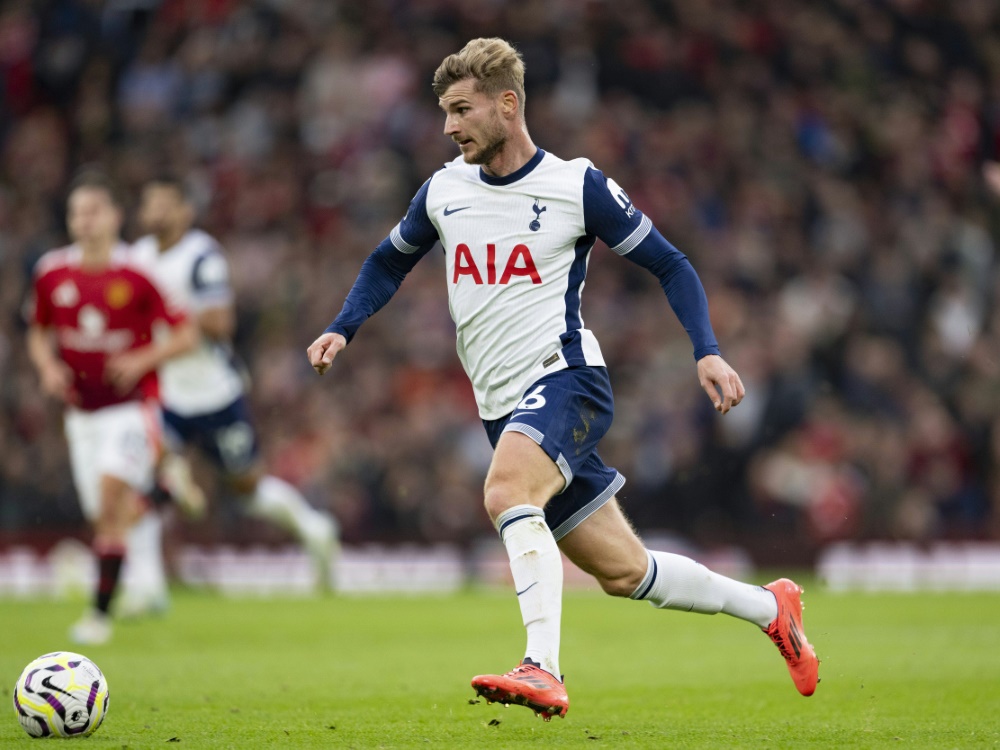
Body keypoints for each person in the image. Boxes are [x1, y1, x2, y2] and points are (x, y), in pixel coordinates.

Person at [307, 38, 819, 719]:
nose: (448, 126)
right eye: (444, 112)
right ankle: (771, 609)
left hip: (567, 378)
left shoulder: (576, 185)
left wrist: (707, 350)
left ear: (508, 104)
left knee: (507, 489)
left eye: (462, 109)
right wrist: (345, 324)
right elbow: (386, 261)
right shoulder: (443, 191)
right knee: (625, 572)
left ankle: (542, 666)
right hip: (502, 406)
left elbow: (672, 264)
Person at [129, 176, 339, 600]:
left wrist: (168, 318)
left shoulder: (201, 257)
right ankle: (145, 590)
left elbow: (220, 322)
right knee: (141, 483)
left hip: (214, 395)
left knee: (247, 491)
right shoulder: (136, 258)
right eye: (148, 202)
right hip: (166, 396)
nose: (153, 211)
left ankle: (315, 531)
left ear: (184, 211)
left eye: (163, 203)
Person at [27, 169, 199, 645]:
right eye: (76, 213)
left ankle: (98, 617)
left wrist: (143, 357)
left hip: (131, 407)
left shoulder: (139, 274)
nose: (85, 222)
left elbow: (186, 334)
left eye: (93, 212)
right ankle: (162, 490)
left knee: (108, 503)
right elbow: (38, 331)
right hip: (81, 413)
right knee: (107, 515)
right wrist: (47, 368)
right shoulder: (51, 273)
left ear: (115, 217)